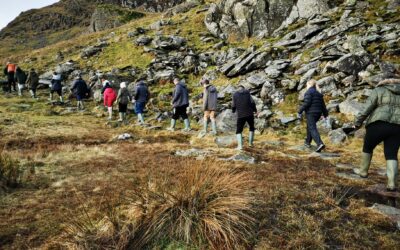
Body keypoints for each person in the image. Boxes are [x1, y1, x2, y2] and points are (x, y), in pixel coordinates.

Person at [353, 78, 400, 191]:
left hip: (378, 123)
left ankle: (363, 171)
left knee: (368, 146)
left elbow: (367, 107)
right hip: (398, 126)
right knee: (391, 153)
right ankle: (392, 183)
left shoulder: (379, 90)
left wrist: (358, 122)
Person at [297, 79, 328, 153]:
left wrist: (299, 111)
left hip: (311, 113)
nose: (306, 86)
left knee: (312, 128)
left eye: (307, 85)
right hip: (318, 113)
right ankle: (308, 142)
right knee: (310, 126)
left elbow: (307, 103)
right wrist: (325, 114)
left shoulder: (308, 92)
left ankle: (320, 143)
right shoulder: (318, 93)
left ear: (309, 84)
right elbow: (323, 105)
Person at [232, 85, 257, 150]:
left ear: (238, 89)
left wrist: (233, 110)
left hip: (241, 115)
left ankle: (240, 146)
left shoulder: (235, 94)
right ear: (244, 88)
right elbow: (252, 102)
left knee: (239, 130)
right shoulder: (248, 93)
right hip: (249, 114)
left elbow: (233, 105)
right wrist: (255, 110)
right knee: (251, 127)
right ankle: (250, 143)